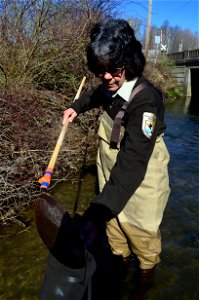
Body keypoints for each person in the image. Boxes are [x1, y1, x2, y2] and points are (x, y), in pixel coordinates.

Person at [63, 18, 170, 295]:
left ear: (130, 62)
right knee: (115, 237)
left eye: (114, 69)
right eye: (101, 70)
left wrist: (96, 213)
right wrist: (77, 107)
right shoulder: (109, 85)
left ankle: (144, 284)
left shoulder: (146, 100)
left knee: (143, 239)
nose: (107, 77)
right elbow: (97, 95)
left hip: (141, 180)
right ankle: (119, 271)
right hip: (112, 179)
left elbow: (133, 164)